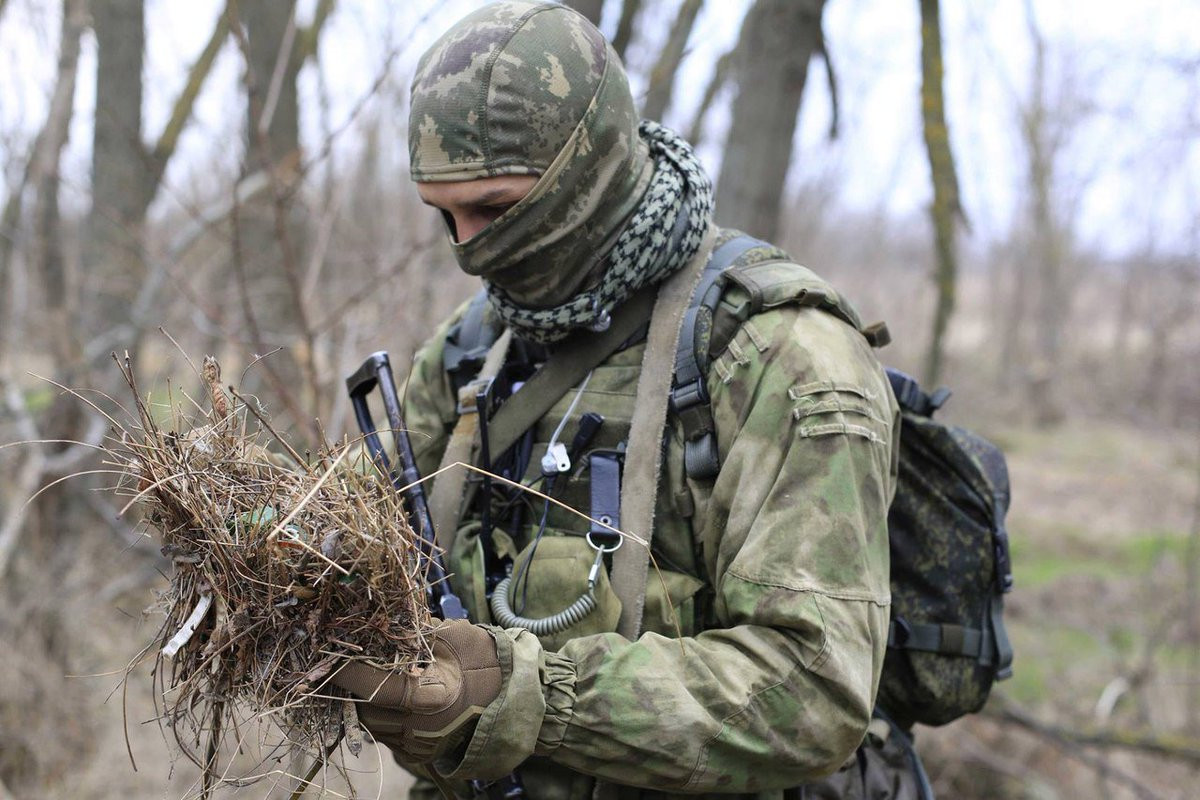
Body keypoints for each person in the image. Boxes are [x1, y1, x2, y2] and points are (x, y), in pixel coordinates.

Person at [332, 2, 903, 798]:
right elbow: (367, 536)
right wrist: (282, 558)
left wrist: (519, 695)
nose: (468, 251)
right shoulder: (479, 347)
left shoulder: (779, 356)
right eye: (445, 216)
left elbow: (811, 694)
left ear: (586, 171)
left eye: (496, 210)